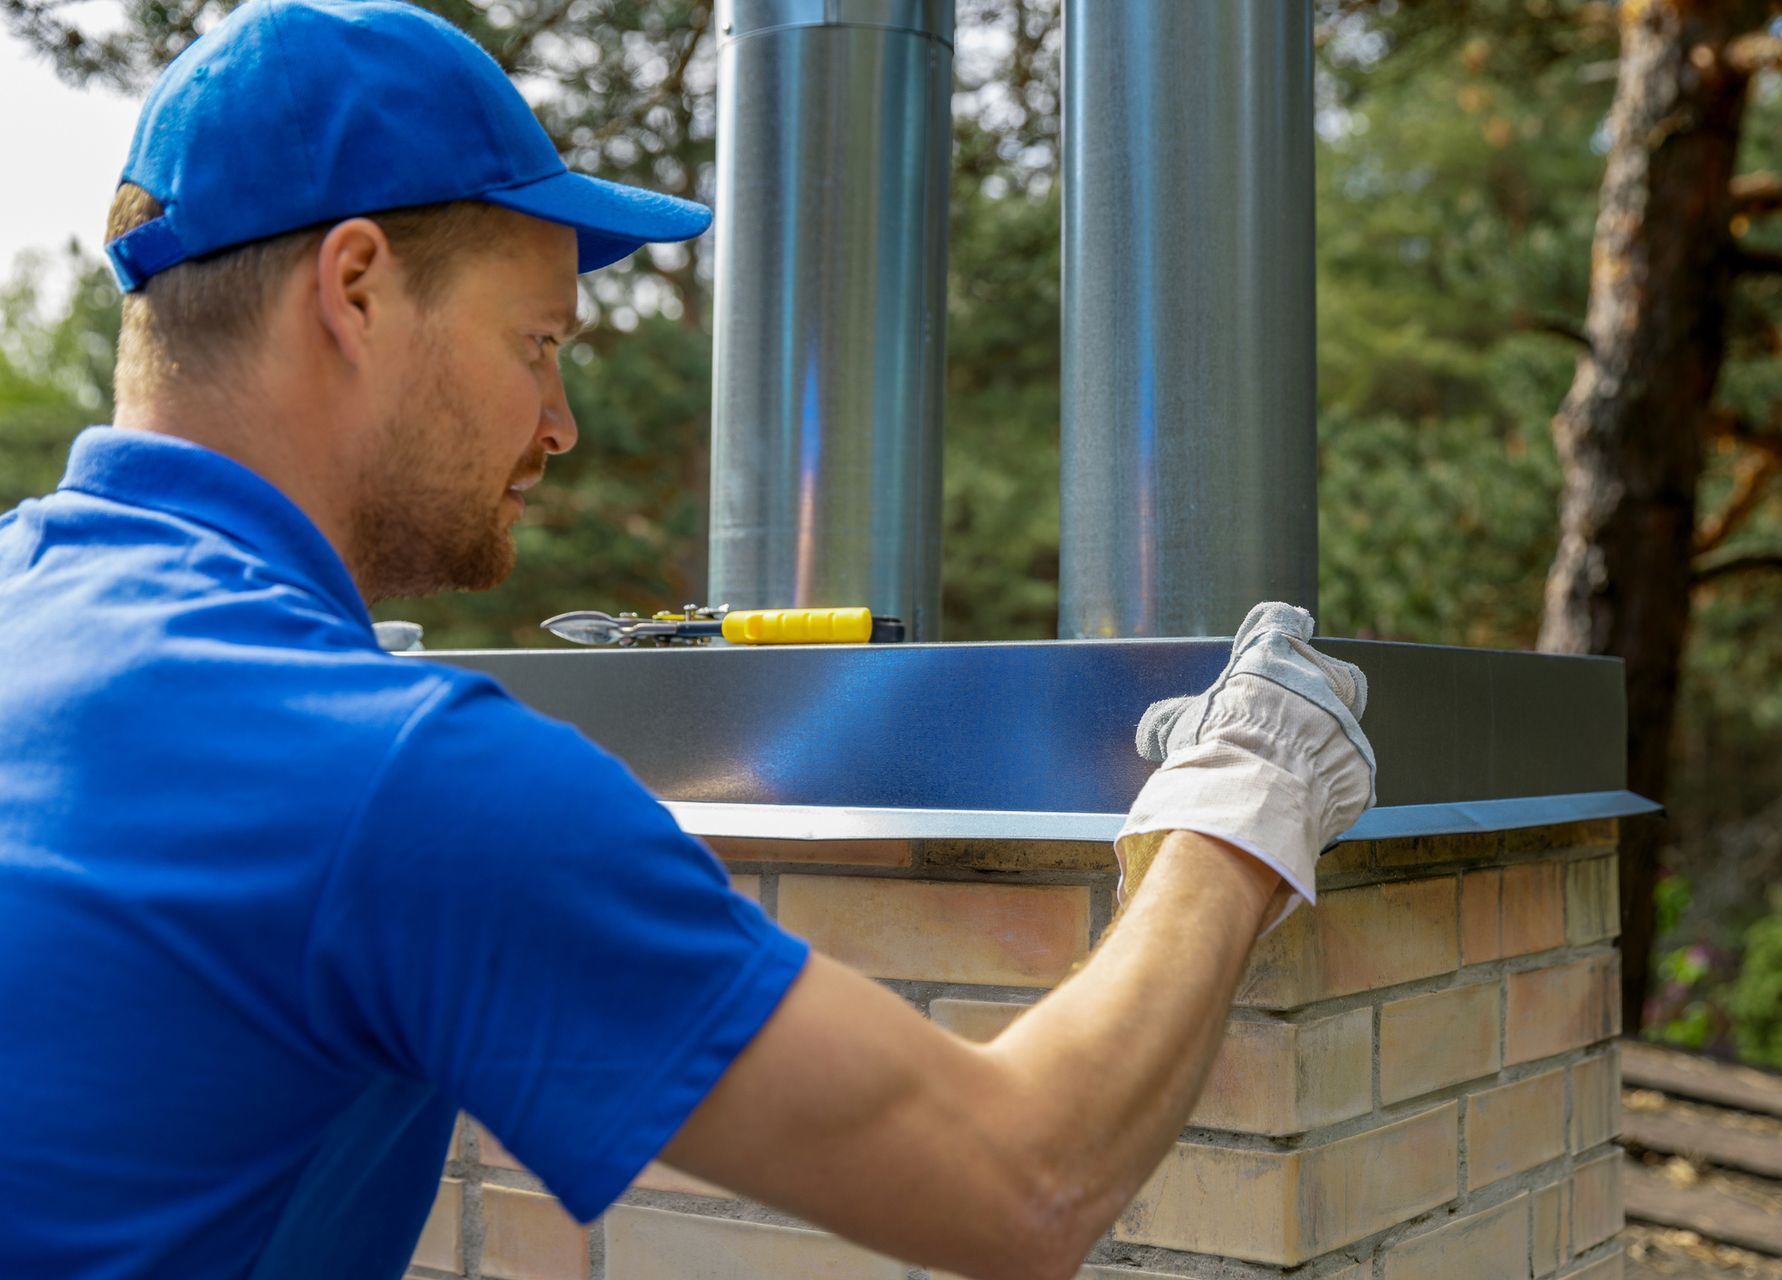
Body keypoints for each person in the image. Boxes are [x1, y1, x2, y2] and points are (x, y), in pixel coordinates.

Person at [0, 2, 1376, 1278]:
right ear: (355, 286)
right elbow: (1023, 1178)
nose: (560, 421)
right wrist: (1240, 805)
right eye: (540, 340)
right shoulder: (385, 778)